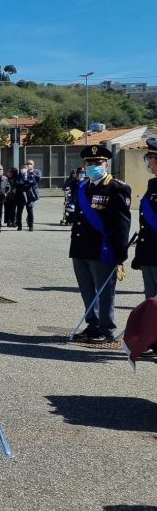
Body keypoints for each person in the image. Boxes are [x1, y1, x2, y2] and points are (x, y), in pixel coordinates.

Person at [68, 145, 131, 345]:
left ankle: (107, 329)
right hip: (81, 247)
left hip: (103, 249)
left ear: (106, 164)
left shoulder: (116, 187)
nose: (93, 166)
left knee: (104, 292)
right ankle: (92, 325)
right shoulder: (83, 186)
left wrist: (120, 253)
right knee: (87, 290)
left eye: (97, 163)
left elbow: (121, 223)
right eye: (89, 163)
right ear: (83, 165)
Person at [132, 138, 157, 358]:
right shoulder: (154, 185)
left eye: (151, 158)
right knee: (151, 300)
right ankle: (153, 339)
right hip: (150, 254)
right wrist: (140, 254)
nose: (149, 162)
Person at [14, 159, 41, 231]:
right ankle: (19, 225)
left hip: (30, 194)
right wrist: (22, 181)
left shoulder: (36, 171)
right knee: (19, 210)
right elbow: (17, 181)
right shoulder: (22, 171)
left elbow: (37, 179)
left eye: (30, 164)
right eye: (27, 163)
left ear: (33, 165)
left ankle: (31, 225)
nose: (29, 165)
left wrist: (32, 174)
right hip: (21, 193)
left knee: (30, 210)